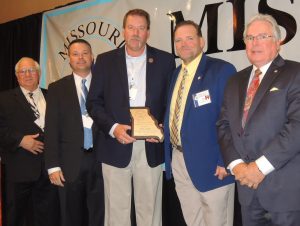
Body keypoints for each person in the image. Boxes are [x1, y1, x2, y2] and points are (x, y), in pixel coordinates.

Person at [86, 8, 175, 226]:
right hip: (115, 143)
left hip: (150, 146)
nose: (136, 33)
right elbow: (93, 103)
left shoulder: (165, 61)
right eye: (131, 27)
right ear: (123, 31)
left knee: (150, 211)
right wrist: (113, 127)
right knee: (116, 212)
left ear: (148, 32)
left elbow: (170, 103)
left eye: (141, 28)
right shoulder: (105, 61)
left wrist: (161, 129)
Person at [217, 13, 300, 226]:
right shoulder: (235, 80)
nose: (255, 43)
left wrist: (258, 168)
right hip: (247, 189)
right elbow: (224, 125)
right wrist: (237, 166)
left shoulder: (295, 73)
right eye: (250, 38)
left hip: (284, 192)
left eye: (262, 36)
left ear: (277, 42)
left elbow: (296, 127)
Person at [163, 20, 236, 226]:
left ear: (201, 41)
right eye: (178, 40)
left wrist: (225, 161)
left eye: (189, 38)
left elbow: (232, 119)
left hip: (213, 164)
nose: (183, 44)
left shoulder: (222, 70)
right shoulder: (176, 74)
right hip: (179, 161)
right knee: (192, 220)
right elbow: (178, 115)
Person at [44, 39, 104, 226]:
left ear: (92, 56)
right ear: (69, 59)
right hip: (69, 164)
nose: (80, 57)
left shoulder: (105, 84)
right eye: (75, 54)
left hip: (102, 161)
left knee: (100, 214)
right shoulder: (56, 88)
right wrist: (52, 166)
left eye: (85, 53)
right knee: (71, 216)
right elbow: (51, 128)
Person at [0, 57, 60, 226]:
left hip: (49, 172)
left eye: (31, 70)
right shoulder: (4, 99)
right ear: (16, 76)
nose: (27, 75)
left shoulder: (52, 95)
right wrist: (20, 140)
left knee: (48, 217)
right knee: (16, 217)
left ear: (39, 74)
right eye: (22, 71)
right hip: (19, 170)